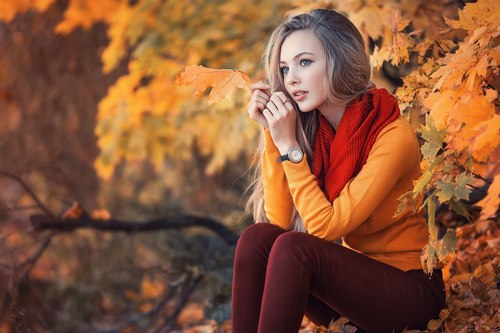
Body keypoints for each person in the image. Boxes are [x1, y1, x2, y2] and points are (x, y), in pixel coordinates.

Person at [231, 8, 446, 333]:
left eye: (305, 62)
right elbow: (277, 222)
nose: (291, 78)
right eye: (285, 67)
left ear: (339, 61)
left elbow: (324, 229)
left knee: (295, 247)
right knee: (257, 237)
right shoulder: (317, 133)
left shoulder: (393, 135)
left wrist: (290, 147)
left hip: (410, 298)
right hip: (352, 295)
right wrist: (271, 135)